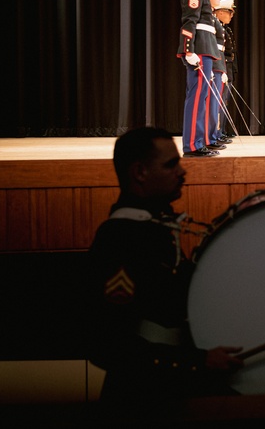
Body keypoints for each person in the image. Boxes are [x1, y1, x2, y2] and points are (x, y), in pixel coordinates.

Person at [86, 127, 243, 407]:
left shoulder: (153, 226)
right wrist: (197, 362)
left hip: (169, 390)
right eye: (171, 164)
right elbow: (106, 345)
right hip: (140, 400)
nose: (182, 172)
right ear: (140, 172)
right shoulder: (120, 237)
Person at [177, 0, 222, 158]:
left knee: (202, 97)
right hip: (199, 48)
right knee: (196, 98)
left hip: (206, 47)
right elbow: (189, 21)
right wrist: (188, 50)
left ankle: (200, 140)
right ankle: (192, 146)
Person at [204, 0, 229, 150]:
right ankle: (209, 138)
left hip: (218, 65)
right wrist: (216, 67)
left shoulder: (213, 20)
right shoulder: (209, 18)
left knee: (216, 105)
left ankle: (213, 136)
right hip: (213, 64)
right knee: (211, 105)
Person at [214, 0, 237, 141]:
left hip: (228, 66)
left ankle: (221, 131)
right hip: (222, 66)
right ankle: (217, 133)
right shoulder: (217, 28)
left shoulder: (225, 29)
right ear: (220, 12)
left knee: (225, 101)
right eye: (229, 12)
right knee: (219, 101)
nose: (231, 15)